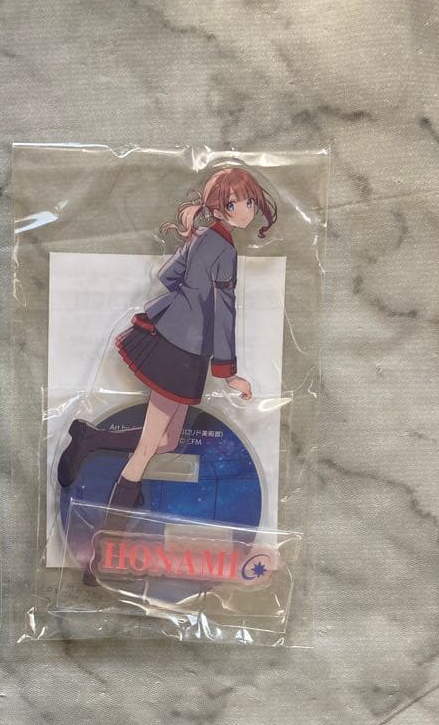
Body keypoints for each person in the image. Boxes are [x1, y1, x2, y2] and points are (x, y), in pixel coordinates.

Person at [57, 165, 277, 531]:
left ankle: (90, 438)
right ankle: (110, 533)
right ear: (217, 207)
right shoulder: (224, 250)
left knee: (168, 440)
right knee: (147, 448)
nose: (246, 210)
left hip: (172, 338)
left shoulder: (202, 237)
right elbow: (225, 312)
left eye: (249, 202)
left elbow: (167, 276)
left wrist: (189, 296)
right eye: (235, 203)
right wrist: (228, 373)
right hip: (181, 353)